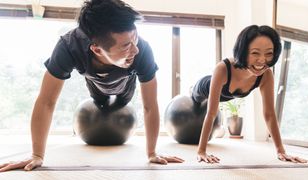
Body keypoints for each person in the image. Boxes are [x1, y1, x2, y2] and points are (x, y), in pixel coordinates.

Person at [0, 0, 183, 172]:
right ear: (96, 49)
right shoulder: (69, 46)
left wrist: (151, 153)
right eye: (126, 45)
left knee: (123, 101)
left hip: (126, 87)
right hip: (95, 85)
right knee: (99, 100)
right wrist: (36, 154)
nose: (135, 49)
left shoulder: (142, 51)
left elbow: (150, 106)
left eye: (135, 38)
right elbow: (46, 101)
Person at [192, 25, 308, 164]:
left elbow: (270, 114)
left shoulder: (266, 75)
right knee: (195, 98)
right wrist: (201, 151)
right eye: (255, 53)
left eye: (269, 53)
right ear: (243, 51)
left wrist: (281, 150)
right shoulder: (223, 68)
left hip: (228, 95)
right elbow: (211, 113)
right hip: (203, 88)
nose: (262, 60)